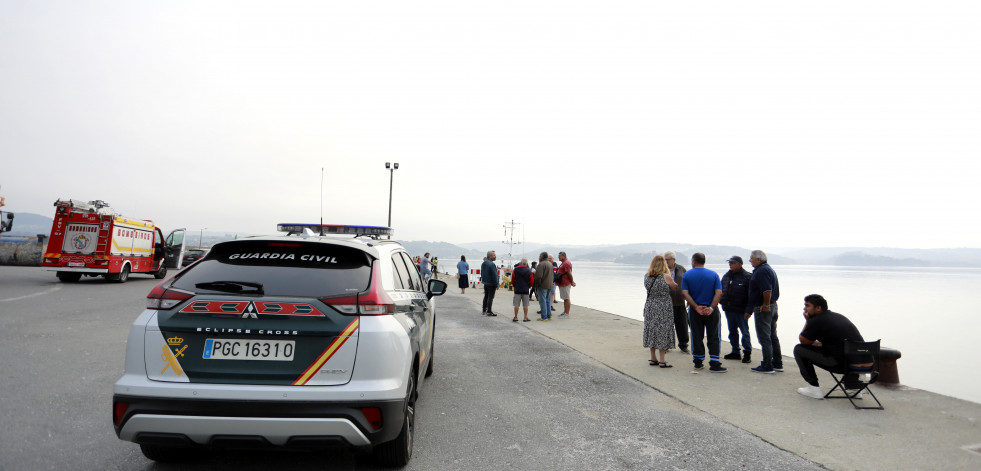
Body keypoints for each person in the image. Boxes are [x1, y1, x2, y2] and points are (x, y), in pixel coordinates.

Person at [794, 294, 871, 399]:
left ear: (818, 308)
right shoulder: (837, 316)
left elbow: (803, 341)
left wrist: (808, 321)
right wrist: (819, 343)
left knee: (799, 350)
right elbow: (839, 341)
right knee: (838, 352)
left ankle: (814, 388)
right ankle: (854, 388)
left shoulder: (817, 320)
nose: (804, 308)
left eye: (807, 306)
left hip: (841, 365)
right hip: (863, 365)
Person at [681, 253, 726, 373]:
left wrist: (696, 307)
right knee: (714, 335)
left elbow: (685, 293)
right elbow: (719, 293)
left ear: (694, 261)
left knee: (696, 335)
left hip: (695, 311)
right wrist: (711, 308)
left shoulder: (687, 275)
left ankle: (698, 362)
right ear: (704, 261)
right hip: (711, 310)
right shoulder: (713, 274)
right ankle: (715, 362)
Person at [745, 249, 782, 374]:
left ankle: (767, 365)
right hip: (773, 306)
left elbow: (767, 290)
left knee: (764, 337)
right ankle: (777, 363)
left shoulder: (762, 271)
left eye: (751, 258)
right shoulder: (768, 269)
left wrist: (765, 304)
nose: (750, 260)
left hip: (764, 307)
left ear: (758, 259)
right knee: (772, 335)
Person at [644, 255, 678, 368]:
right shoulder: (666, 277)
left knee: (652, 330)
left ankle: (653, 358)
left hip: (650, 305)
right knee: (662, 331)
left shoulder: (647, 276)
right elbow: (674, 287)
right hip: (663, 307)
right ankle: (662, 360)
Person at [721, 255, 753, 364]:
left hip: (742, 310)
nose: (730, 264)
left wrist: (749, 310)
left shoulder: (747, 277)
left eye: (733, 263)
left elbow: (751, 295)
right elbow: (720, 290)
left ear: (739, 264)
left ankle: (747, 352)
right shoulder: (726, 276)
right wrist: (722, 302)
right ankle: (735, 352)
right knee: (732, 331)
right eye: (729, 263)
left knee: (745, 332)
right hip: (729, 309)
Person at [665, 252, 690, 353]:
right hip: (666, 302)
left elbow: (688, 283)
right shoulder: (662, 270)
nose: (666, 261)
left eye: (668, 259)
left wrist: (688, 298)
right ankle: (666, 344)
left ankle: (683, 345)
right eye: (665, 259)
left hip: (680, 301)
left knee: (682, 325)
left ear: (674, 260)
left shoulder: (681, 269)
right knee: (666, 324)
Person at [533, 252, 554, 321]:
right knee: (547, 300)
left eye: (539, 256)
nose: (539, 258)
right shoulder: (550, 264)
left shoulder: (541, 264)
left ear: (541, 257)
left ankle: (544, 317)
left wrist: (537, 284)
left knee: (543, 301)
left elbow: (538, 276)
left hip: (542, 285)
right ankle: (549, 315)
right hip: (550, 285)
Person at [556, 251, 576, 318]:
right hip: (562, 283)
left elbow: (569, 273)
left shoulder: (566, 263)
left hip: (565, 283)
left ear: (563, 256)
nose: (558, 257)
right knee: (565, 298)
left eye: (559, 256)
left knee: (566, 298)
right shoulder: (563, 263)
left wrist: (572, 281)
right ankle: (565, 312)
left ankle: (567, 313)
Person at [481, 251, 499, 316]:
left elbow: (482, 273)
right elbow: (495, 275)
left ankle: (484, 310)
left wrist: (483, 280)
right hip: (491, 283)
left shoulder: (484, 263)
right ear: (490, 256)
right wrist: (497, 284)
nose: (495, 256)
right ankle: (489, 311)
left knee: (486, 296)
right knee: (490, 297)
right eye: (494, 255)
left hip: (485, 282)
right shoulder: (492, 264)